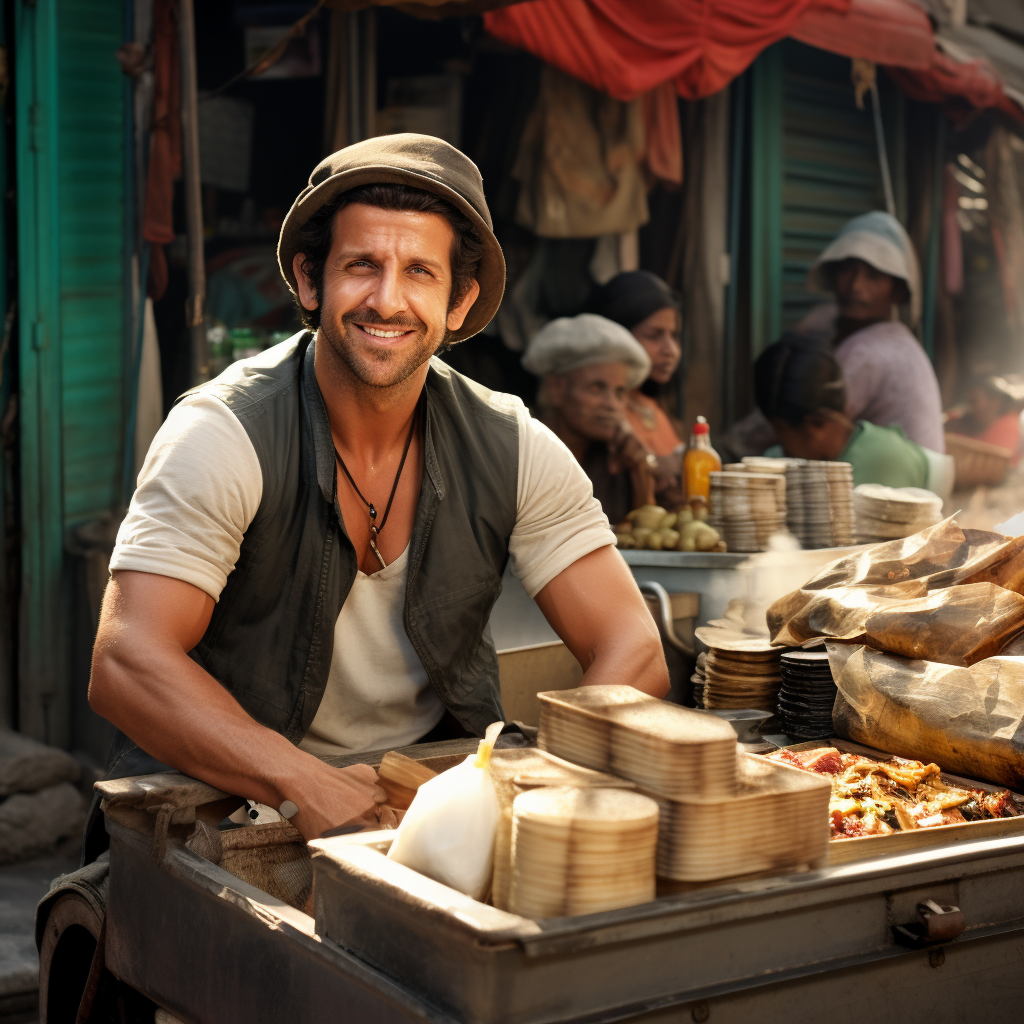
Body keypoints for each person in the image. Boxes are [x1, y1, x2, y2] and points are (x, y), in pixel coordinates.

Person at [87, 135, 668, 852]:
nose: (387, 299)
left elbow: (634, 650)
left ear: (459, 302)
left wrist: (534, 789)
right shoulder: (223, 434)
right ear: (310, 282)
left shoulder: (511, 444)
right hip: (227, 801)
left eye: (420, 272)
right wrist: (305, 781)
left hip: (424, 805)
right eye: (361, 265)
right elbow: (127, 660)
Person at [725, 211, 944, 458]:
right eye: (847, 270)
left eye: (873, 276)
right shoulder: (872, 335)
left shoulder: (868, 352)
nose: (856, 286)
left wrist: (724, 449)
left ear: (897, 292)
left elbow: (785, 416)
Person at [522, 313, 657, 525]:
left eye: (620, 392)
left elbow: (643, 536)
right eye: (596, 388)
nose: (611, 404)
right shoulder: (521, 455)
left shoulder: (616, 460)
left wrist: (640, 471)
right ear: (556, 388)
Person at [755, 335, 929, 489]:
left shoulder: (885, 460)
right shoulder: (778, 461)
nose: (783, 450)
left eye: (781, 432)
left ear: (815, 425)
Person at [946, 375, 1024, 462]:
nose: (971, 409)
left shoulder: (1008, 425)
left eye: (974, 402)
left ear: (995, 402)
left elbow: (981, 460)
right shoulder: (965, 420)